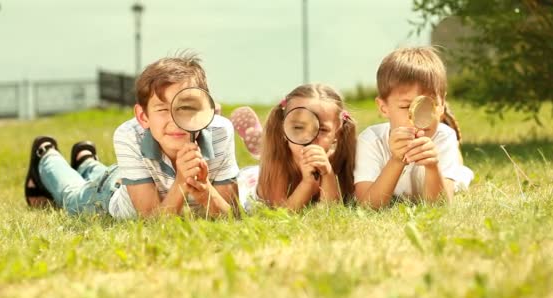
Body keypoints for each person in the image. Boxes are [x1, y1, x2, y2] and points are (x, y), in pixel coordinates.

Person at [24, 53, 239, 218]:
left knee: (104, 172)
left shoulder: (220, 132)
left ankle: (86, 160)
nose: (175, 120)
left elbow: (232, 216)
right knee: (72, 196)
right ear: (143, 117)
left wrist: (204, 190)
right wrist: (182, 181)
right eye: (163, 110)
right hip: (110, 192)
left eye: (186, 108)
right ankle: (46, 156)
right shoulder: (130, 135)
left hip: (130, 174)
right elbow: (151, 221)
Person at [354, 46, 473, 209]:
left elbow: (440, 207)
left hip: (445, 158)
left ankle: (456, 158)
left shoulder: (443, 137)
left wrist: (432, 167)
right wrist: (396, 160)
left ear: (442, 104)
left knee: (460, 178)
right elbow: (367, 206)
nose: (418, 118)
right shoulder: (371, 141)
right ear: (383, 108)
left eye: (429, 105)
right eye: (405, 107)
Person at [232, 83, 357, 211]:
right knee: (266, 158)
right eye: (298, 127)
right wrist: (307, 184)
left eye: (322, 130)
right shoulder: (278, 163)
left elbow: (331, 211)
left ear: (337, 133)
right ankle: (261, 143)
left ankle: (260, 140)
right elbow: (280, 214)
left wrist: (327, 173)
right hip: (251, 181)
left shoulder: (340, 159)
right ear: (283, 129)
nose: (309, 138)